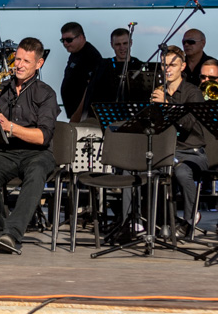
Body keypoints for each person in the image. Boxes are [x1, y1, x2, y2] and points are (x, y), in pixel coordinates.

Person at [0, 37, 60, 253]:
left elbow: (43, 137)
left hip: (37, 153)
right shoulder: (2, 89)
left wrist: (11, 127)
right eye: (17, 59)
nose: (19, 65)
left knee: (36, 173)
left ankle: (12, 234)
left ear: (39, 64)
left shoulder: (46, 93)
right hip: (6, 151)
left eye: (26, 61)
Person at [151, 45, 207, 238]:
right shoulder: (159, 91)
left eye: (172, 65)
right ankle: (152, 221)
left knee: (182, 171)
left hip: (191, 151)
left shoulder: (192, 93)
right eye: (164, 65)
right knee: (143, 170)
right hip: (166, 151)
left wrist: (167, 105)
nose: (167, 69)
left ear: (182, 66)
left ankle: (191, 217)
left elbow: (188, 124)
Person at [82, 27, 147, 116]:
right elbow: (91, 95)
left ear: (131, 43)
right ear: (112, 45)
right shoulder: (103, 67)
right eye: (118, 44)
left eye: (125, 43)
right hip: (108, 115)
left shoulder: (140, 66)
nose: (122, 48)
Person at [60, 22, 100, 121]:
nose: (65, 43)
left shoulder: (90, 56)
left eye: (69, 40)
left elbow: (90, 89)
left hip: (85, 116)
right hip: (75, 113)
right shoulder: (75, 53)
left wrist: (77, 115)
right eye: (63, 40)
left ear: (81, 37)